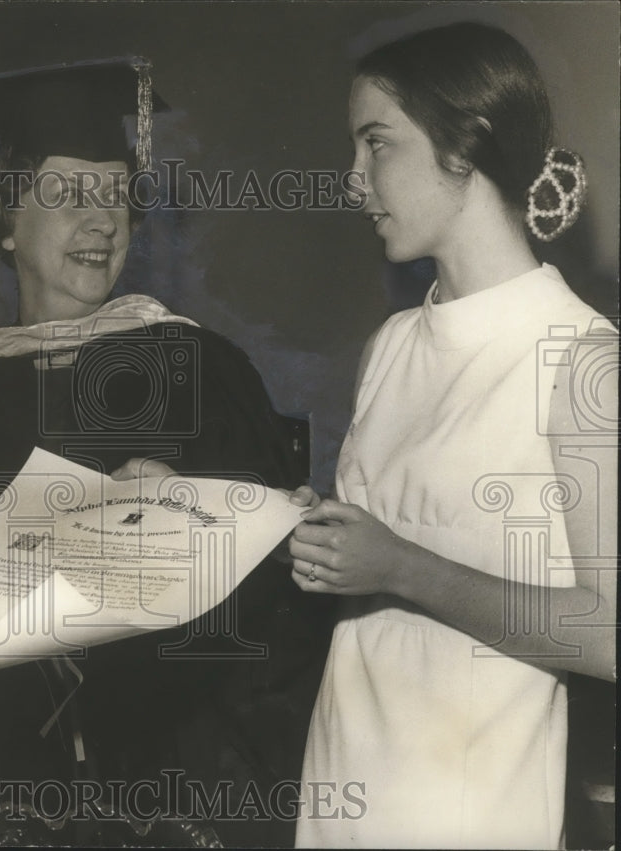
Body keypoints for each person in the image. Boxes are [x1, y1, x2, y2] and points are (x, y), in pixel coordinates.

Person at [0, 58, 332, 845]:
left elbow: (282, 604)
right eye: (67, 195)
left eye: (115, 193)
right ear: (5, 218)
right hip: (3, 782)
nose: (101, 219)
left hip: (178, 772)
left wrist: (185, 520)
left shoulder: (200, 369)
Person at [287, 23, 618, 848]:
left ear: (464, 149)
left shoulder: (579, 357)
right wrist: (309, 528)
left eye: (376, 145)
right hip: (343, 781)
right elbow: (382, 546)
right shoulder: (393, 344)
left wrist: (400, 564)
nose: (352, 179)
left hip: (473, 809)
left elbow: (611, 636)